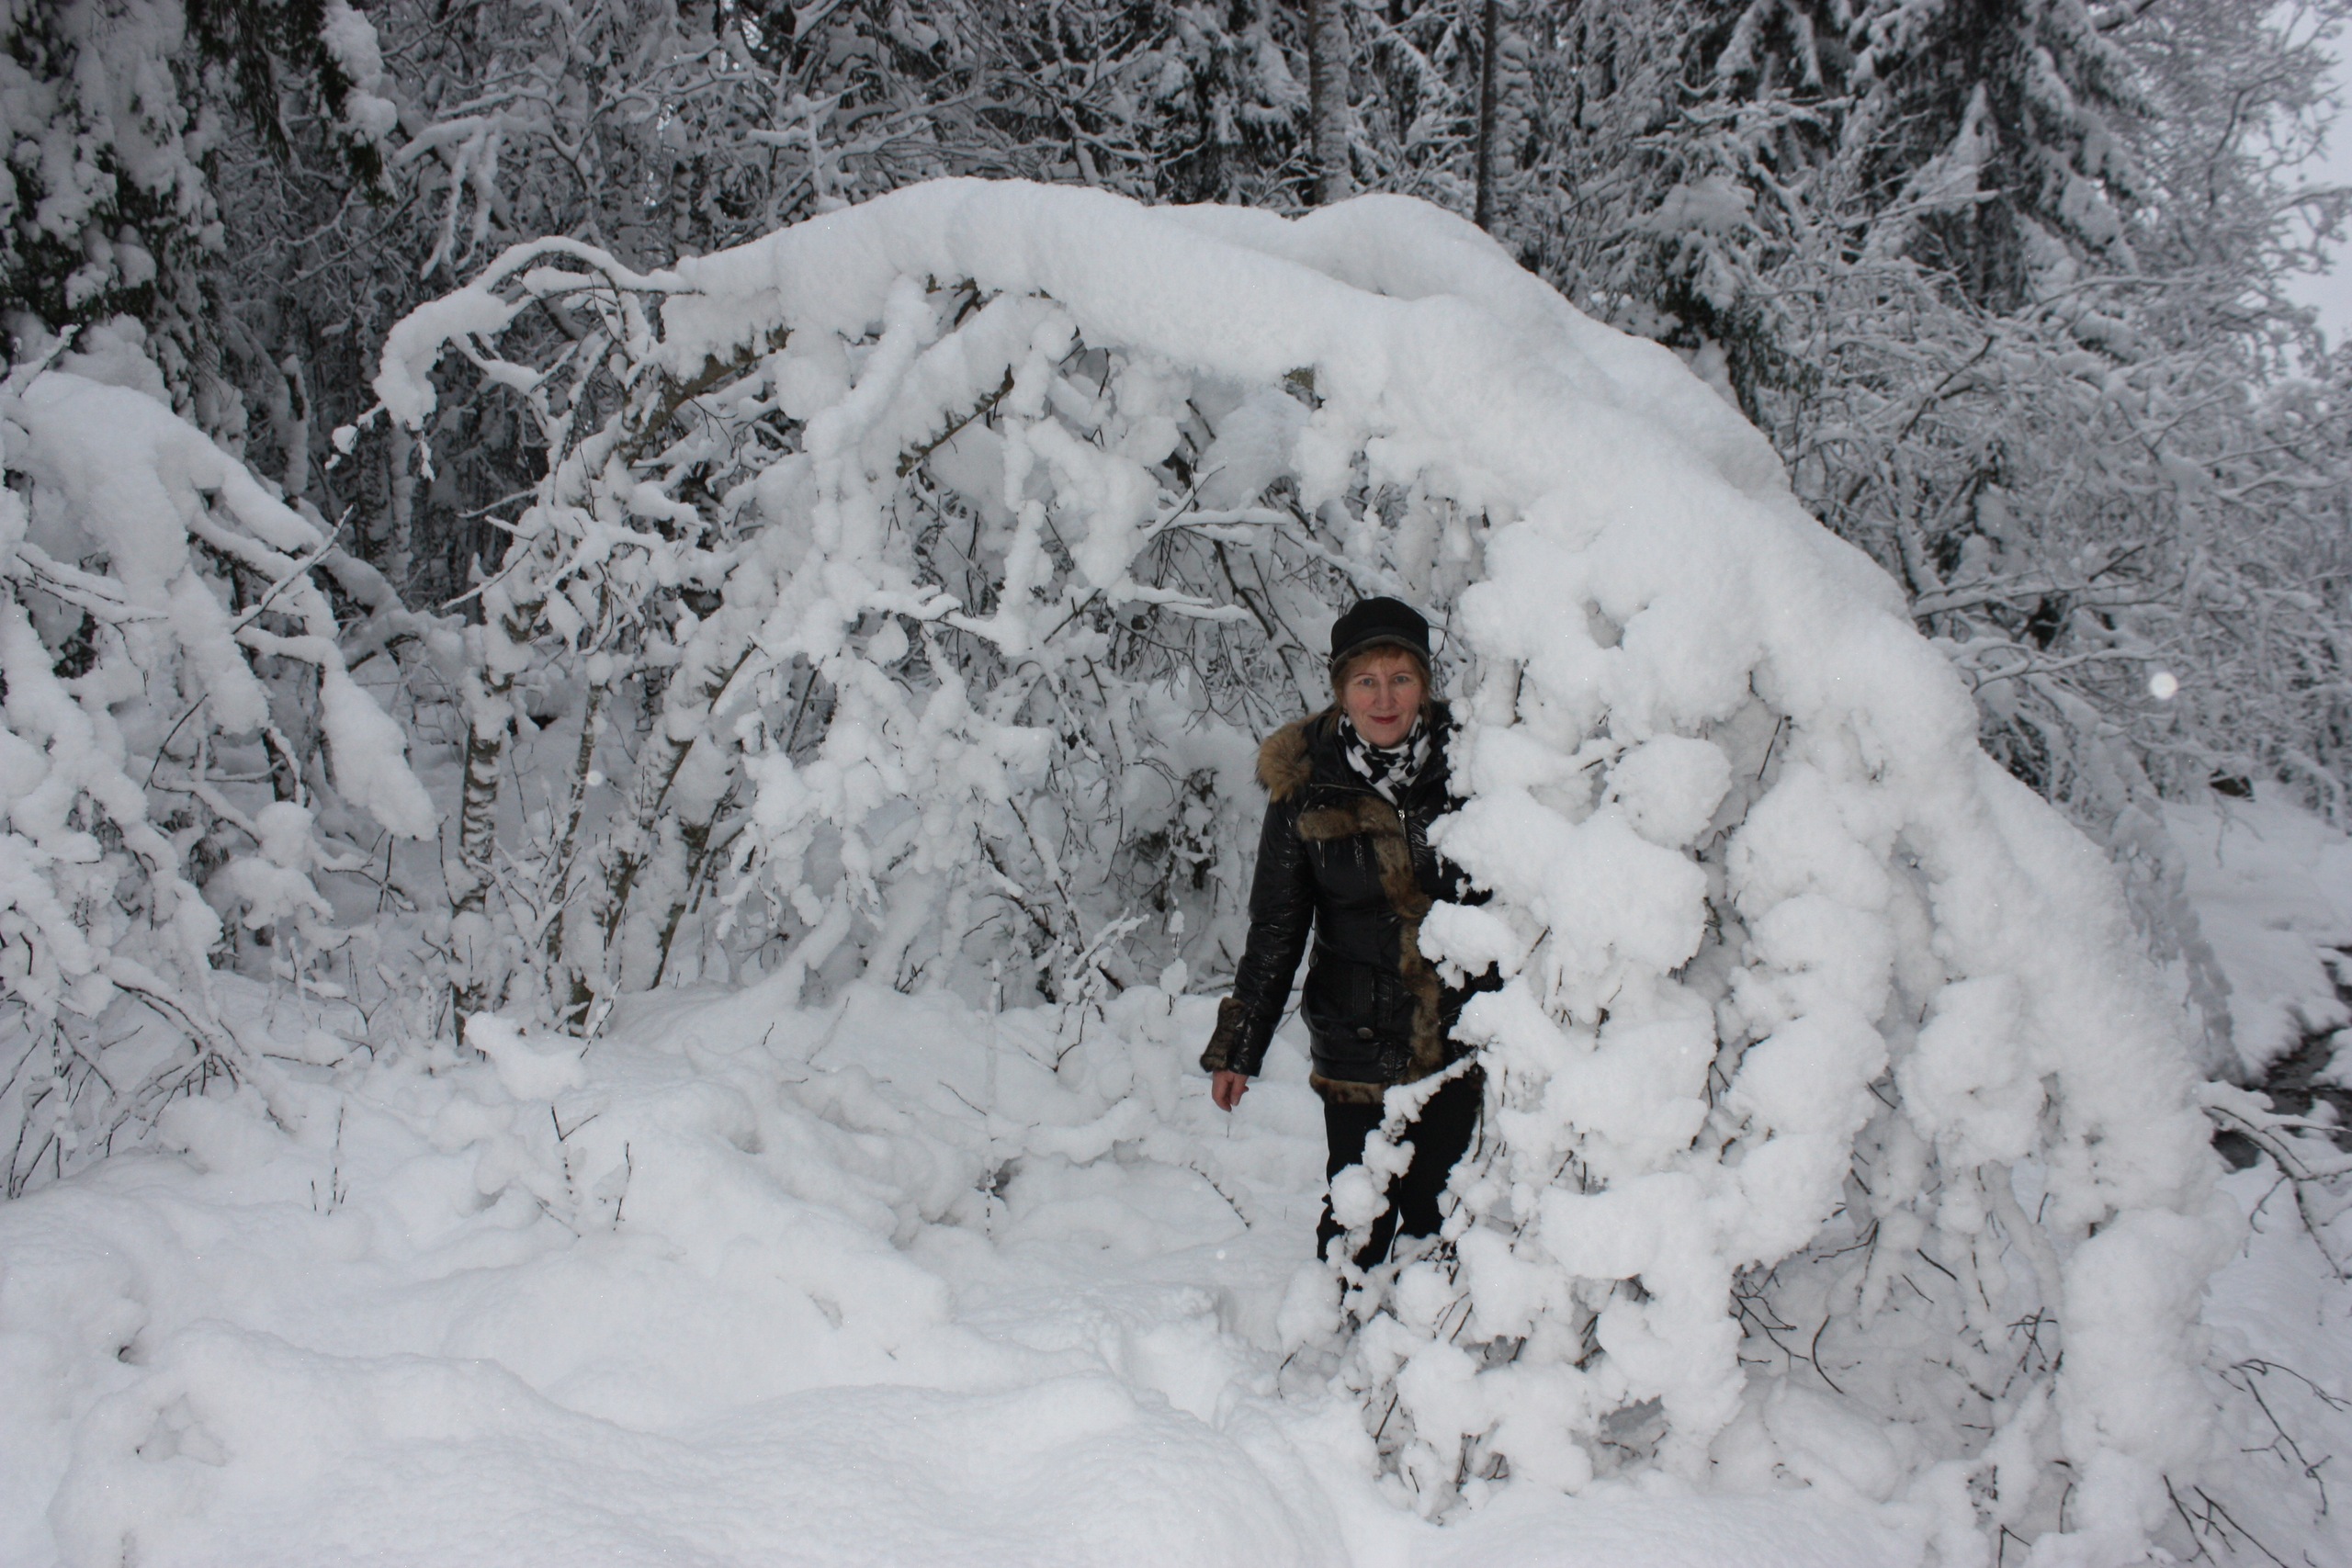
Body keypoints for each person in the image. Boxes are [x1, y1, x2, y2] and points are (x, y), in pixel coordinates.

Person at [1200, 596, 1490, 1266]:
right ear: (1341, 689)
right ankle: (1341, 1319)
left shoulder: (1473, 767)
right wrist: (1240, 1047)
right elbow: (1277, 926)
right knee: (1359, 1216)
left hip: (1457, 1036)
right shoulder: (1306, 784)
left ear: (1424, 684)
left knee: (1441, 1217)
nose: (1384, 699)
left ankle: (1426, 1331)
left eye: (1401, 678)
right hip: (1356, 1040)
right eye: (1366, 681)